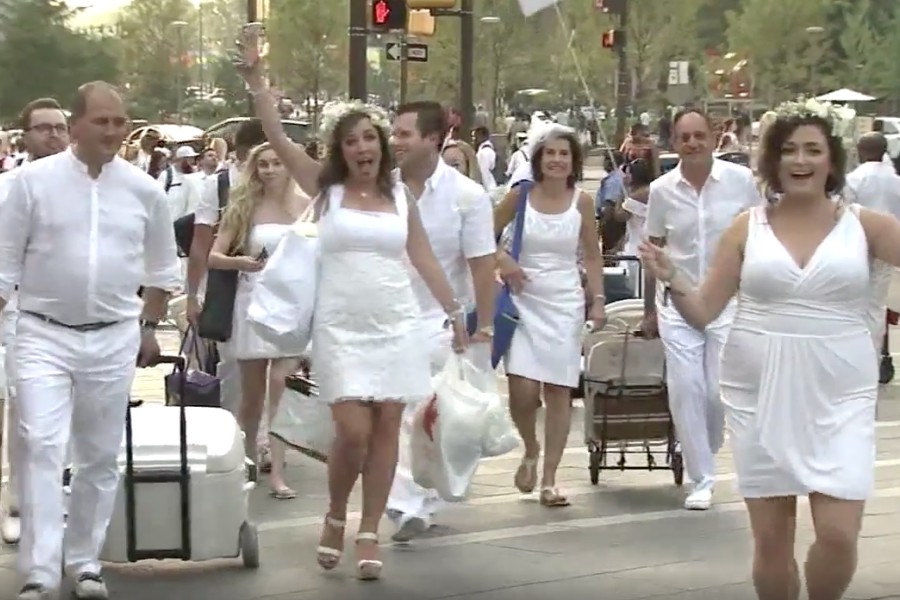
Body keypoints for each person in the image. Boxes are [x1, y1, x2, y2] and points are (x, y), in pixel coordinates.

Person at [639, 98, 900, 600]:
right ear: (774, 161)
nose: (801, 161)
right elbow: (704, 310)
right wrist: (671, 277)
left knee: (839, 536)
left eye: (813, 150)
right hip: (760, 389)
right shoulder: (747, 227)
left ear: (831, 160)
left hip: (839, 391)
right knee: (773, 543)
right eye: (790, 151)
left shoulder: (865, 225)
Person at [234, 24, 466, 581]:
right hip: (340, 325)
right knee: (354, 430)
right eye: (351, 140)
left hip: (395, 322)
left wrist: (457, 314)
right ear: (340, 150)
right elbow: (278, 137)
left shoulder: (400, 196)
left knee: (389, 425)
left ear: (383, 144)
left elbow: (425, 258)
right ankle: (335, 512)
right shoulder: (326, 189)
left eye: (370, 138)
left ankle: (368, 528)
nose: (362, 148)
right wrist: (258, 80)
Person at [0, 81, 180, 600]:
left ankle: (84, 563)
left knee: (100, 456)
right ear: (75, 125)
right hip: (41, 333)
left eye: (119, 122)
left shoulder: (145, 190)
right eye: (100, 121)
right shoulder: (30, 184)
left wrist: (148, 327)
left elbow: (163, 269)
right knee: (41, 446)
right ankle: (38, 570)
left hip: (113, 338)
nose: (112, 131)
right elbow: (4, 266)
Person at [386, 102, 496, 542]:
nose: (394, 141)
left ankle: (413, 498)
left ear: (433, 138)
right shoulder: (380, 190)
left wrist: (482, 326)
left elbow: (483, 264)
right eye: (392, 133)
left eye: (404, 134)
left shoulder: (467, 196)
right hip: (384, 315)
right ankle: (409, 499)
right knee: (395, 417)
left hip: (439, 322)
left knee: (421, 415)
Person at [641, 108, 760, 511]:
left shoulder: (742, 183)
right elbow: (652, 252)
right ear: (673, 143)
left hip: (727, 302)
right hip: (677, 302)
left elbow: (761, 236)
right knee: (686, 388)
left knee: (716, 392)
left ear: (713, 137)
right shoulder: (661, 190)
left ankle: (707, 444)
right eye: (683, 137)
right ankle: (702, 477)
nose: (692, 143)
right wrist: (649, 310)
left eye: (698, 135)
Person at [494, 123, 605, 507]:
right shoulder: (519, 196)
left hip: (564, 303)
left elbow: (591, 253)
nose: (557, 160)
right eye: (550, 153)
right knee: (522, 392)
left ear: (574, 161)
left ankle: (550, 479)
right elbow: (479, 235)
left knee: (559, 392)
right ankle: (530, 446)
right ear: (538, 159)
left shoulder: (583, 201)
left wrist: (598, 299)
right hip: (522, 301)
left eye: (564, 153)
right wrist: (503, 260)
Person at [206, 142, 308, 498]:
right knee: (251, 396)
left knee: (283, 389)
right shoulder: (244, 207)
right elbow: (214, 256)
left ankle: (279, 472)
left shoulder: (305, 207)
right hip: (252, 301)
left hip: (292, 305)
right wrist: (241, 263)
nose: (269, 170)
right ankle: (246, 461)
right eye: (262, 164)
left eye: (276, 163)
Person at [0, 97, 70, 547]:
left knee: (73, 419)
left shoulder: (90, 185)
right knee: (26, 413)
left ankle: (63, 501)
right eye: (42, 128)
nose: (53, 135)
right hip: (21, 313)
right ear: (24, 135)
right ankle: (18, 503)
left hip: (81, 316)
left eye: (59, 127)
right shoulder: (7, 188)